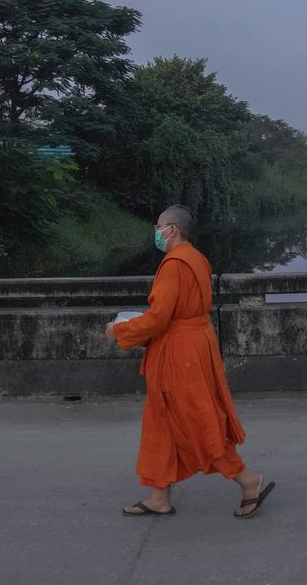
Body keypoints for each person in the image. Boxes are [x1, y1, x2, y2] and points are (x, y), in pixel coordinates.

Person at [106, 204, 274, 518]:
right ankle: (159, 496)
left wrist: (119, 330)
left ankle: (249, 480)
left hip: (181, 352)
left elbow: (158, 318)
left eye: (159, 226)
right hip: (195, 342)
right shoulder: (196, 258)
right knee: (162, 420)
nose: (156, 232)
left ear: (172, 230)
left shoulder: (174, 264)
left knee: (197, 420)